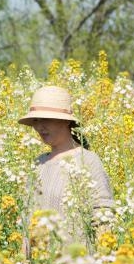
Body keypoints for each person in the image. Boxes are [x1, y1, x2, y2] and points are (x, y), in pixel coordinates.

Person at [18, 85, 115, 249]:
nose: (40, 127)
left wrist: (103, 261)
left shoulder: (88, 161)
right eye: (36, 120)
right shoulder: (38, 163)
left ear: (65, 121)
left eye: (46, 119)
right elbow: (27, 219)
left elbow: (103, 215)